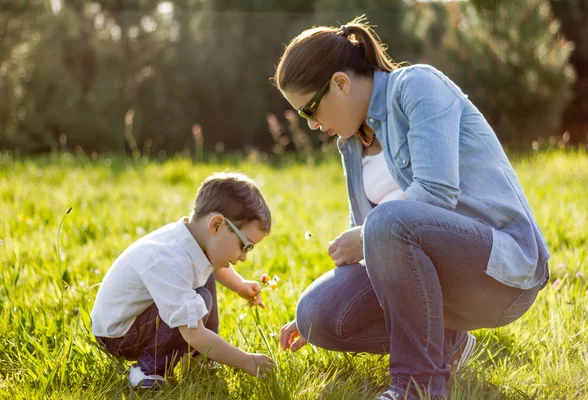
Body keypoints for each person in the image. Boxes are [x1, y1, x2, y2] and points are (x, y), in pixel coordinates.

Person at [274, 17, 550, 400]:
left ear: (341, 82)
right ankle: (450, 345)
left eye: (309, 110)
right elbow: (383, 253)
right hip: (431, 278)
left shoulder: (417, 86)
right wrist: (322, 312)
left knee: (384, 223)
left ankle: (416, 387)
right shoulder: (352, 145)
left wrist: (366, 233)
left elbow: (435, 192)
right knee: (317, 314)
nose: (313, 125)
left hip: (501, 273)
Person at [91, 172, 275, 389]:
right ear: (216, 225)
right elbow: (192, 332)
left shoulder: (192, 240)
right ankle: (148, 370)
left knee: (201, 287)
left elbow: (212, 268)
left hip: (134, 319)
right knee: (190, 308)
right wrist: (245, 360)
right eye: (245, 245)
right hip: (119, 334)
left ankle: (201, 358)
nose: (244, 256)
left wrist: (238, 284)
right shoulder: (170, 259)